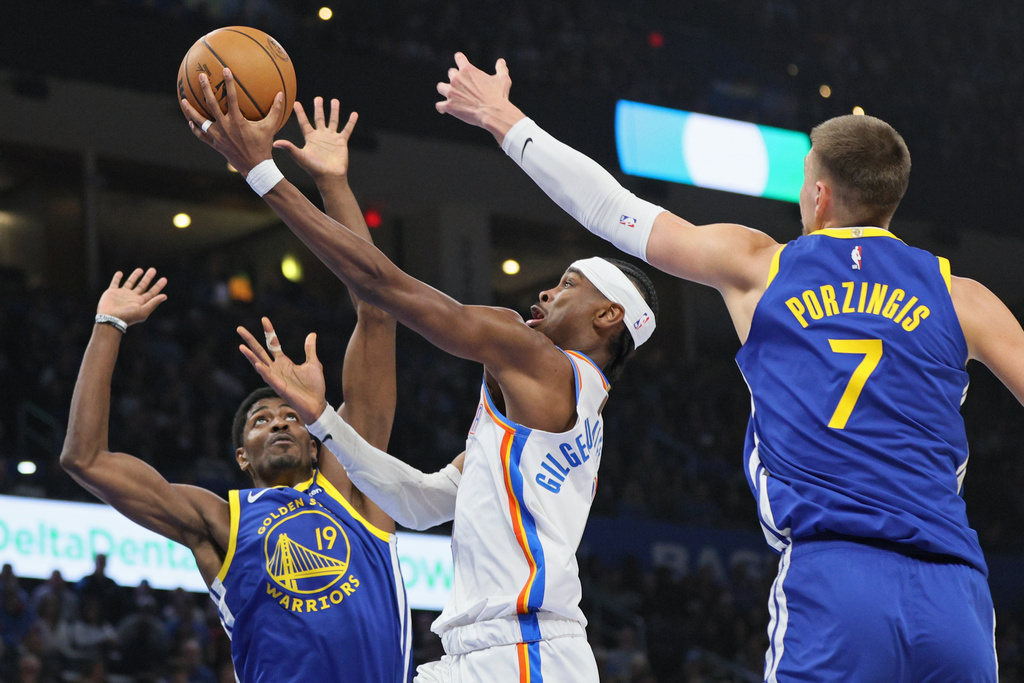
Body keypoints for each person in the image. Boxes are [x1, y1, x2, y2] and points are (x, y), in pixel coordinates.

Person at [434, 53, 1024, 681]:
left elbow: (613, 210)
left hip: (835, 576)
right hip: (954, 590)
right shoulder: (963, 297)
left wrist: (505, 119)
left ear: (820, 195)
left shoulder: (763, 268)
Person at [181, 68, 659, 682]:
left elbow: (383, 288)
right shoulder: (557, 407)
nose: (546, 291)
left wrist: (262, 174)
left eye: (567, 283)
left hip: (523, 656)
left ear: (608, 315)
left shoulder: (540, 362)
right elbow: (417, 501)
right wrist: (322, 420)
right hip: (490, 657)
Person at [60, 97, 413, 682]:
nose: (278, 422)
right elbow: (84, 457)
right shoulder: (220, 519)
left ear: (322, 438)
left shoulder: (358, 482)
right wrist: (108, 326)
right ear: (241, 456)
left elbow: (378, 308)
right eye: (261, 420)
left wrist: (334, 185)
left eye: (290, 417)